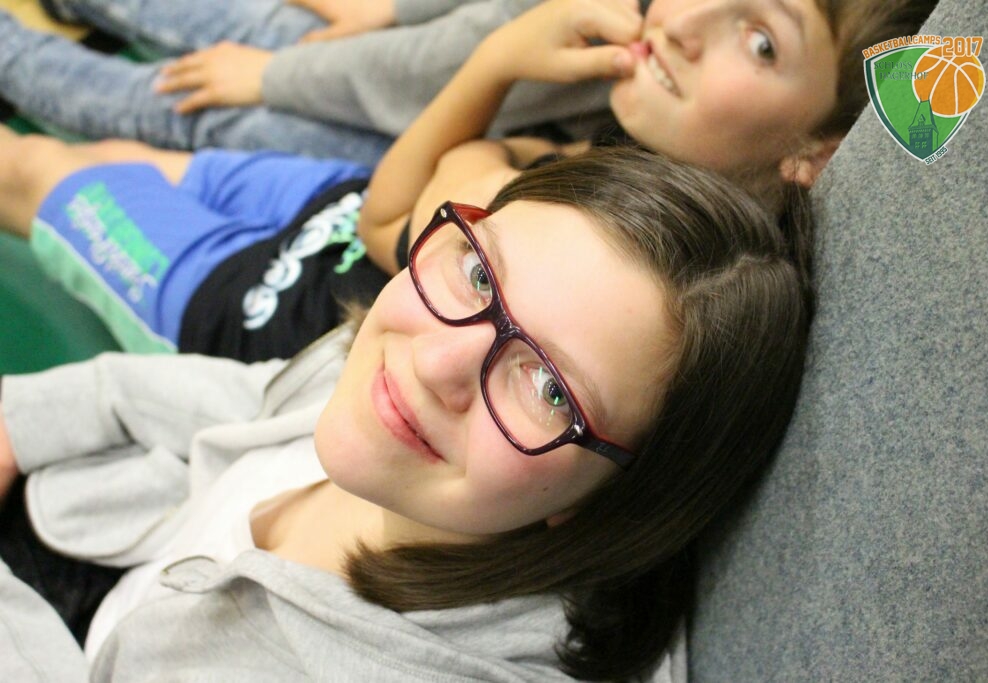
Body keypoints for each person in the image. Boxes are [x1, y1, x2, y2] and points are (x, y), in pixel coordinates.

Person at [0, 147, 813, 680]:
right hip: (100, 540)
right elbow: (261, 393)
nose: (433, 363)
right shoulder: (405, 384)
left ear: (619, 500)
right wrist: (24, 420)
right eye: (483, 275)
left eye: (548, 389)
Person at [0, 0, 936, 361]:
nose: (687, 22)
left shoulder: (628, 251)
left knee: (39, 167)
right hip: (321, 211)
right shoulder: (625, 144)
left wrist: (490, 75)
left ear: (819, 151)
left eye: (762, 42)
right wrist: (489, 81)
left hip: (269, 302)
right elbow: (398, 205)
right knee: (117, 153)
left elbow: (393, 221)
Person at [0, 0, 612, 163]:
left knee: (213, 104)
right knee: (268, 30)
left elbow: (440, 70)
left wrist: (271, 77)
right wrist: (391, 10)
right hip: (458, 78)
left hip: (498, 150)